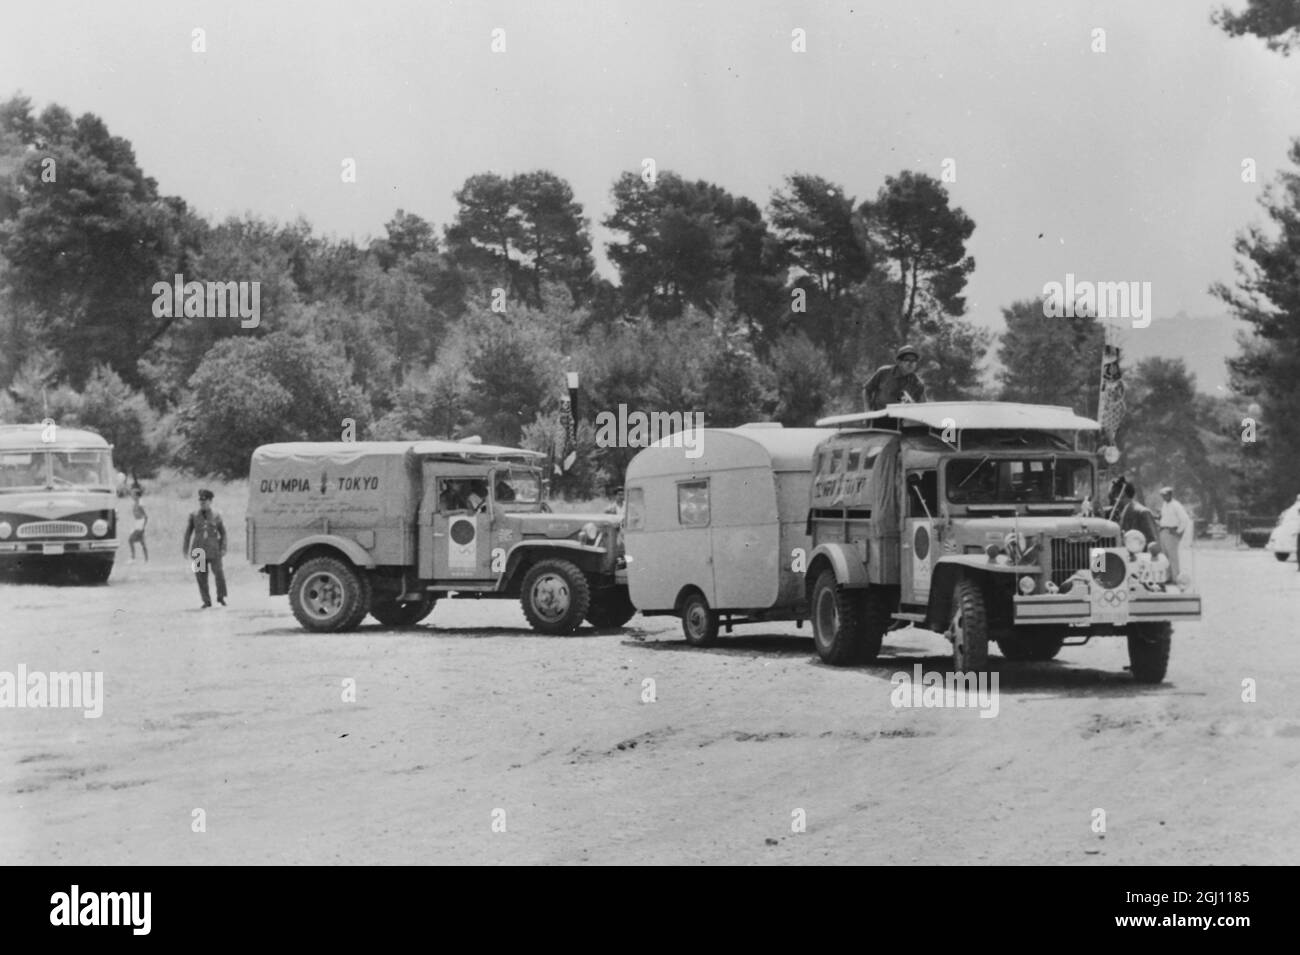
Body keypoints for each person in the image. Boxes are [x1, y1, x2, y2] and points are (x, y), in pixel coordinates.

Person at [183, 488, 227, 608]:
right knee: (200, 576)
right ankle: (206, 600)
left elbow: (223, 533)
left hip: (214, 548)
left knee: (219, 573)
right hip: (198, 549)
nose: (202, 502)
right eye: (200, 500)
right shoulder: (193, 515)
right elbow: (188, 533)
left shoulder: (217, 515)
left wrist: (223, 548)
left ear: (210, 501)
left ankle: (221, 597)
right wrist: (185, 549)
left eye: (205, 500)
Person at [863, 345, 927, 411]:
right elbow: (867, 391)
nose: (911, 363)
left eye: (914, 360)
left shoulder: (918, 384)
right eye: (907, 360)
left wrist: (911, 404)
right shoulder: (883, 372)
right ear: (899, 362)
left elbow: (923, 407)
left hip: (900, 419)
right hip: (878, 415)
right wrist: (867, 410)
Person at [1107, 477, 1161, 552]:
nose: (1112, 500)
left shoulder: (1142, 512)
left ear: (1122, 494)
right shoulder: (1121, 512)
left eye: (1113, 495)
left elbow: (1153, 543)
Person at [1157, 486, 1192, 578]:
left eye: (1165, 495)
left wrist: (1178, 532)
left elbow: (1185, 519)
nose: (1164, 497)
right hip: (1163, 531)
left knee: (1173, 557)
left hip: (1171, 532)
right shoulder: (1165, 504)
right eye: (1162, 495)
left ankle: (1176, 577)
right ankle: (1167, 576)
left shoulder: (1176, 505)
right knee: (1165, 556)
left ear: (1170, 495)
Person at [127, 487, 149, 562]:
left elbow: (146, 516)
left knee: (130, 539)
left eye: (133, 494)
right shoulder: (135, 503)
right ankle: (146, 560)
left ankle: (133, 558)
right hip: (137, 523)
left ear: (137, 495)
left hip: (140, 523)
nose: (131, 496)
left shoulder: (140, 503)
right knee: (142, 541)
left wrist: (143, 526)